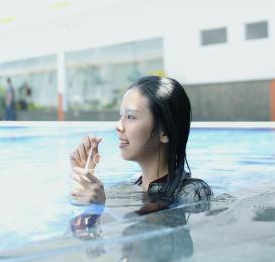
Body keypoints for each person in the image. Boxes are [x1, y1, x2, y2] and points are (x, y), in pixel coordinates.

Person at [70, 75, 212, 207]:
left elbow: (163, 230)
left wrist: (100, 206)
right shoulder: (130, 185)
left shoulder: (192, 191)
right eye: (121, 116)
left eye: (131, 117)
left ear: (165, 132)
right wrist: (85, 181)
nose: (118, 126)